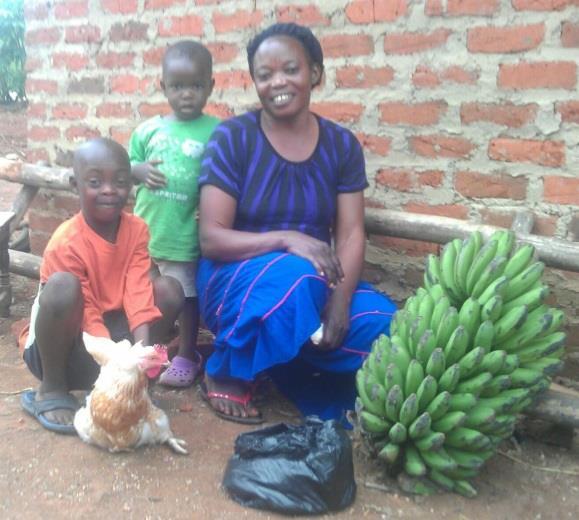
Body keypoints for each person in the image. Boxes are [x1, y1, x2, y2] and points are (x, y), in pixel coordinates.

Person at [196, 23, 397, 424]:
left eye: (290, 69)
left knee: (386, 328)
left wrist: (339, 304)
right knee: (299, 279)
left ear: (315, 74)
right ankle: (227, 367)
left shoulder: (341, 145)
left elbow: (352, 233)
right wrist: (286, 239)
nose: (277, 83)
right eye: (264, 75)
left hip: (318, 281)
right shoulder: (233, 138)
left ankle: (285, 361)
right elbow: (211, 239)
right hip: (235, 280)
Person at [19, 138, 184, 435]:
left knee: (169, 289)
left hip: (109, 351)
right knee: (62, 287)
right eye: (95, 181)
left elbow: (138, 291)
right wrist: (115, 363)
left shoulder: (137, 230)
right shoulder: (66, 241)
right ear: (75, 184)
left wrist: (138, 356)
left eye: (120, 181)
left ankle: (137, 387)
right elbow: (88, 313)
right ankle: (52, 390)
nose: (109, 189)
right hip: (61, 351)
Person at [129, 40, 219, 387]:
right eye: (178, 86)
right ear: (163, 85)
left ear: (210, 87)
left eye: (196, 86)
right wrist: (135, 170)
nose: (186, 95)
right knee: (146, 295)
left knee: (186, 299)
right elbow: (123, 167)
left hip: (183, 234)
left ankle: (186, 352)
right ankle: (150, 351)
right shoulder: (148, 130)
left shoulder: (215, 131)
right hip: (144, 234)